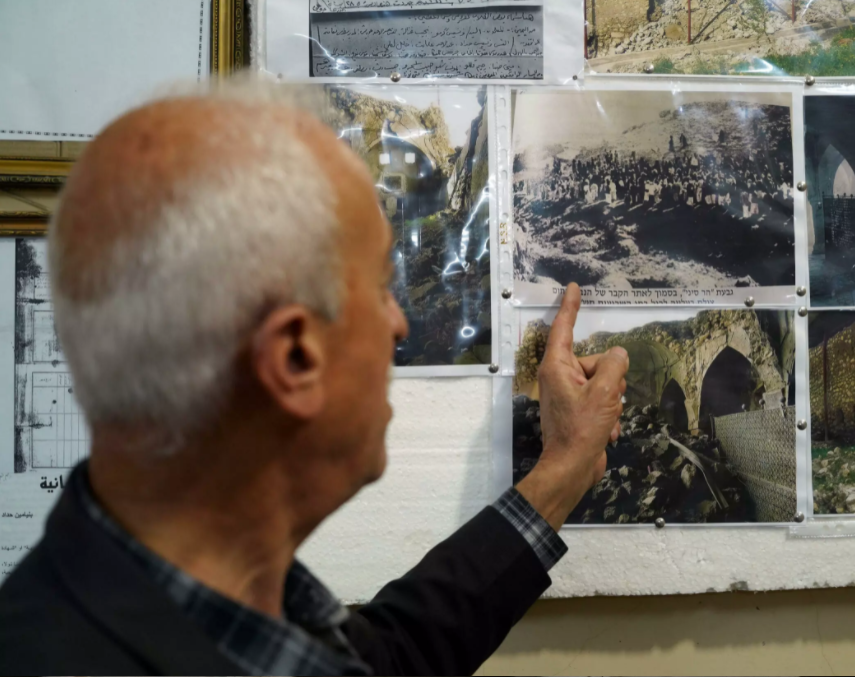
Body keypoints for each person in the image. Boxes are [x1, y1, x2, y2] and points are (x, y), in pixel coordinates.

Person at [0, 81, 629, 675]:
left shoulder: (194, 607)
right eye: (383, 286)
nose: (398, 326)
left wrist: (562, 471)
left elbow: (393, 657)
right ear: (296, 358)